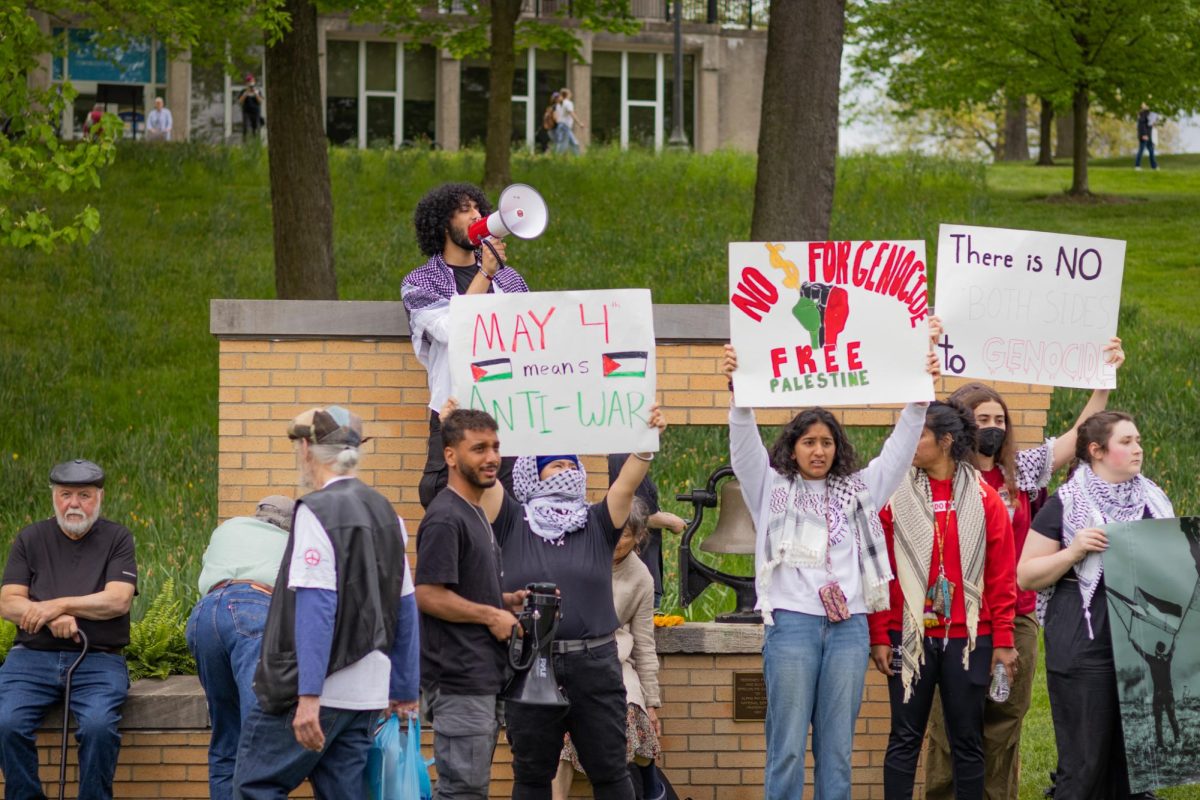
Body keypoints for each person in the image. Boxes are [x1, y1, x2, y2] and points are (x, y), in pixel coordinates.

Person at [724, 330, 942, 800]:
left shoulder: (862, 488)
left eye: (826, 442)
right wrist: (740, 395)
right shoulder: (770, 487)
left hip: (849, 629)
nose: (818, 451)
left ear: (837, 447)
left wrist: (920, 394)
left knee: (836, 750)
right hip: (792, 624)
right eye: (808, 442)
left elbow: (900, 449)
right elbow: (743, 448)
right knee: (784, 748)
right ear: (793, 447)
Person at [923, 339, 1126, 800]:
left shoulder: (1023, 470)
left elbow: (1080, 434)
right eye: (982, 419)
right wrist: (925, 369)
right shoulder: (936, 472)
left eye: (999, 419)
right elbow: (914, 428)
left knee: (1003, 722)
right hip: (950, 618)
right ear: (959, 425)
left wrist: (1102, 379)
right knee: (946, 726)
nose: (992, 427)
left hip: (1014, 616)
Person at [474, 402, 668, 800]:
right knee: (531, 776)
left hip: (594, 665)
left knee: (611, 772)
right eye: (553, 464)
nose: (564, 470)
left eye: (569, 464)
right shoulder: (513, 520)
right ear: (533, 471)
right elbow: (483, 476)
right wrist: (456, 428)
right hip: (531, 663)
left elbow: (627, 484)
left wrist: (647, 439)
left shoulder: (599, 522)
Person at [232, 406, 419, 799]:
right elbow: (405, 606)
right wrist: (404, 688)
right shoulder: (387, 512)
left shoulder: (316, 512)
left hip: (320, 690)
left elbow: (317, 607)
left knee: (256, 786)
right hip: (367, 692)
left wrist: (309, 697)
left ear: (306, 448)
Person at [1018, 411, 1175, 800]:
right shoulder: (1065, 504)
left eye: (1138, 440)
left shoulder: (1154, 501)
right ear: (1096, 450)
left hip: (1144, 628)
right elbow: (1026, 575)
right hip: (1085, 625)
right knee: (1085, 758)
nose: (1138, 448)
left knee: (1142, 759)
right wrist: (1074, 551)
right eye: (1126, 441)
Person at [868, 400, 1018, 800]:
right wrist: (881, 633)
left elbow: (1002, 578)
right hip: (908, 633)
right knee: (904, 738)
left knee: (967, 739)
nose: (907, 444)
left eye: (919, 435)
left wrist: (1003, 641)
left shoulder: (985, 499)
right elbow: (882, 574)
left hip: (969, 638)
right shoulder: (892, 499)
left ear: (946, 441)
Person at [0, 459, 138, 800]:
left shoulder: (118, 538)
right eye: (65, 494)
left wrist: (57, 604)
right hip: (30, 659)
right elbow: (7, 602)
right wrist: (48, 617)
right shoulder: (30, 537)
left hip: (98, 659)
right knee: (6, 723)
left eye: (84, 495)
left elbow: (118, 600)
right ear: (54, 497)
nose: (74, 504)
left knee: (98, 727)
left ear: (99, 497)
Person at [414, 406, 526, 800]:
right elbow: (427, 594)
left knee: (471, 789)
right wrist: (490, 614)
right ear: (450, 455)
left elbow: (459, 587)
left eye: (495, 447)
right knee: (462, 791)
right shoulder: (446, 517)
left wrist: (506, 601)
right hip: (459, 679)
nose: (492, 457)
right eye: (478, 448)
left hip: (482, 675)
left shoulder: (475, 511)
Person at [402, 183, 530, 509]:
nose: (476, 215)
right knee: (446, 501)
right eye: (465, 209)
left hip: (505, 412)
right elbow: (451, 329)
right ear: (443, 223)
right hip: (451, 412)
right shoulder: (420, 282)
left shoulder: (510, 280)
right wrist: (485, 274)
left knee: (508, 508)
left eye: (478, 209)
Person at [552, 499, 664, 800]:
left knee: (624, 716)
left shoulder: (641, 577)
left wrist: (652, 701)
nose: (616, 540)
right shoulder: (578, 556)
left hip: (613, 661)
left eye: (625, 534)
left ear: (639, 536)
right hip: (565, 656)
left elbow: (644, 642)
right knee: (558, 732)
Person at [186, 494, 295, 800]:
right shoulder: (293, 542)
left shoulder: (228, 529)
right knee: (260, 731)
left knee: (227, 735)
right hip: (253, 609)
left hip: (204, 616)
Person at [607, 454, 687, 609]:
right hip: (639, 567)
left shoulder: (618, 458)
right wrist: (672, 523)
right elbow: (641, 514)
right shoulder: (623, 458)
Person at [554, 88, 582, 155]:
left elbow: (557, 116)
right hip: (565, 126)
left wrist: (560, 122)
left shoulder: (559, 104)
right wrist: (579, 123)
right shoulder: (568, 103)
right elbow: (572, 113)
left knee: (574, 143)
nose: (571, 94)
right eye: (570, 93)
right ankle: (556, 159)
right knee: (563, 145)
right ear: (567, 95)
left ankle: (578, 159)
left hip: (561, 125)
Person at [238, 75, 264, 140]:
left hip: (255, 112)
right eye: (249, 82)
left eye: (252, 81)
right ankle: (245, 141)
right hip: (246, 112)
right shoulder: (243, 91)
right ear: (246, 83)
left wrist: (255, 93)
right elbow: (240, 101)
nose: (250, 83)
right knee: (245, 127)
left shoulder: (257, 91)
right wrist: (246, 93)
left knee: (255, 128)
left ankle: (255, 142)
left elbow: (260, 101)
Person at [1135, 103, 1158, 170]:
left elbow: (1149, 125)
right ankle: (1137, 166)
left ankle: (1154, 166)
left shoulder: (1149, 114)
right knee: (1141, 150)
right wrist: (1144, 135)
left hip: (1149, 136)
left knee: (1151, 151)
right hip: (1144, 136)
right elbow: (1141, 126)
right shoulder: (1143, 114)